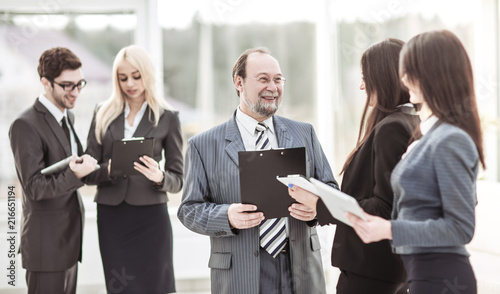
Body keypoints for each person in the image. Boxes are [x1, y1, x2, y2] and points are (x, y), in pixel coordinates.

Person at [177, 47, 337, 294]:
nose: (272, 87)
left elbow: (331, 190)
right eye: (263, 79)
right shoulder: (203, 145)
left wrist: (316, 206)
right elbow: (188, 210)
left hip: (301, 268)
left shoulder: (304, 133)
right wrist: (228, 215)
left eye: (278, 79)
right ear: (239, 83)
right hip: (240, 272)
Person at [347, 30, 484, 294]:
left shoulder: (451, 139)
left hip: (442, 279)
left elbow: (460, 228)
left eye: (410, 72)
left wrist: (389, 229)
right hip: (420, 274)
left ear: (435, 75)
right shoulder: (428, 133)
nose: (404, 79)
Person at [288, 38, 418, 294]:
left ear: (383, 77)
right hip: (388, 268)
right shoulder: (408, 121)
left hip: (372, 270)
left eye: (365, 77)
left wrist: (319, 202)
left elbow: (385, 206)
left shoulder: (391, 128)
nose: (361, 86)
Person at [84, 45, 183, 293]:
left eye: (136, 76)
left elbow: (178, 179)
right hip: (112, 215)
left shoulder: (168, 117)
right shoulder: (102, 112)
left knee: (156, 284)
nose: (130, 83)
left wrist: (159, 176)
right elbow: (88, 169)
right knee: (119, 287)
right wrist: (109, 169)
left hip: (151, 216)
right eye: (123, 77)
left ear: (147, 74)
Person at [9, 47, 98, 294]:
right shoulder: (24, 125)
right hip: (45, 245)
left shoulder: (66, 118)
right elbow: (34, 188)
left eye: (80, 83)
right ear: (45, 83)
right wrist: (76, 175)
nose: (76, 92)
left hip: (68, 242)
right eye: (67, 85)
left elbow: (75, 166)